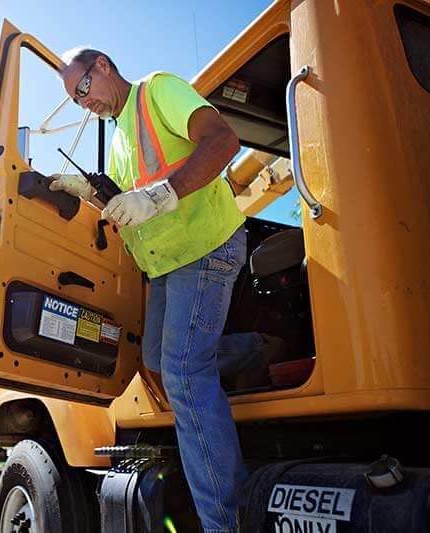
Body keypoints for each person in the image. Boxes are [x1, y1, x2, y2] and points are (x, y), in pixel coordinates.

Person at [51, 48, 283, 533]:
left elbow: (223, 142)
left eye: (84, 88)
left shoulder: (157, 90)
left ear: (104, 67)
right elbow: (126, 203)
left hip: (204, 248)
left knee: (181, 371)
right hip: (167, 268)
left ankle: (227, 521)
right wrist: (92, 194)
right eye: (75, 99)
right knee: (157, 363)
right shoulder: (118, 141)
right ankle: (256, 349)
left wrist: (160, 195)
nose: (83, 102)